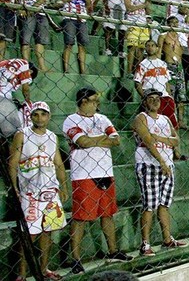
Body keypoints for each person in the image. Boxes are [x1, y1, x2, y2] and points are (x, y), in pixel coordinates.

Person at [63, 87, 133, 274]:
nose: (97, 104)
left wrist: (92, 139)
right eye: (94, 100)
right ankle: (76, 259)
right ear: (84, 101)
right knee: (80, 218)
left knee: (107, 214)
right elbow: (81, 142)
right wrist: (102, 139)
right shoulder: (71, 119)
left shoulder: (102, 118)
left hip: (105, 171)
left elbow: (116, 140)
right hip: (84, 174)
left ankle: (113, 250)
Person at [8, 101, 67, 281]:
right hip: (30, 191)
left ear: (48, 116)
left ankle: (44, 268)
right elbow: (13, 163)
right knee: (29, 233)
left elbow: (58, 163)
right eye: (36, 114)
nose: (39, 118)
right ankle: (22, 274)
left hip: (49, 189)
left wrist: (63, 186)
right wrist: (15, 188)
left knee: (48, 231)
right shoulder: (22, 135)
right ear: (30, 116)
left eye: (43, 114)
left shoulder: (52, 137)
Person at [132, 88, 187, 257]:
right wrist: (162, 160)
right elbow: (148, 140)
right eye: (151, 98)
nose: (155, 101)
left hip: (167, 165)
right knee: (149, 205)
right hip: (149, 164)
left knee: (164, 204)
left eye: (158, 98)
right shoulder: (141, 118)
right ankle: (145, 243)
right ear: (145, 101)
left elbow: (176, 140)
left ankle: (167, 239)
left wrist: (160, 139)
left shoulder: (165, 119)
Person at [0, 58, 37, 140]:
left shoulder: (4, 63)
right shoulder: (24, 64)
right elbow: (25, 89)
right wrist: (28, 102)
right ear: (30, 72)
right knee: (14, 133)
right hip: (3, 97)